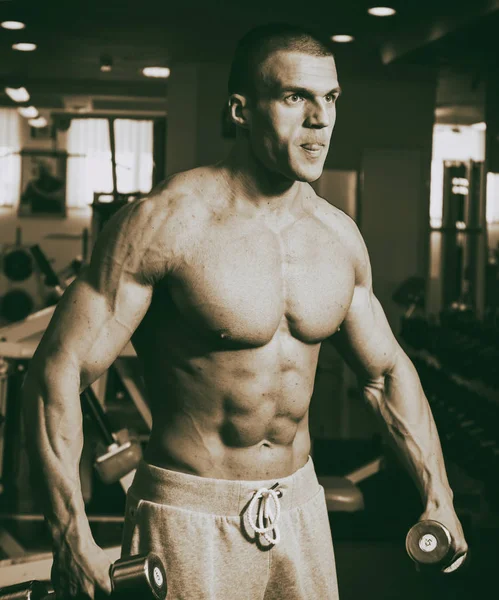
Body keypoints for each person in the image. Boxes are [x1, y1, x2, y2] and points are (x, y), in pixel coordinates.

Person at [22, 22, 468, 600]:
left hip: (299, 509)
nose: (320, 118)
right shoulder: (167, 221)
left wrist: (440, 495)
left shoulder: (337, 237)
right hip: (188, 515)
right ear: (240, 110)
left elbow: (386, 374)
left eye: (330, 99)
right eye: (294, 97)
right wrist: (70, 537)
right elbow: (58, 370)